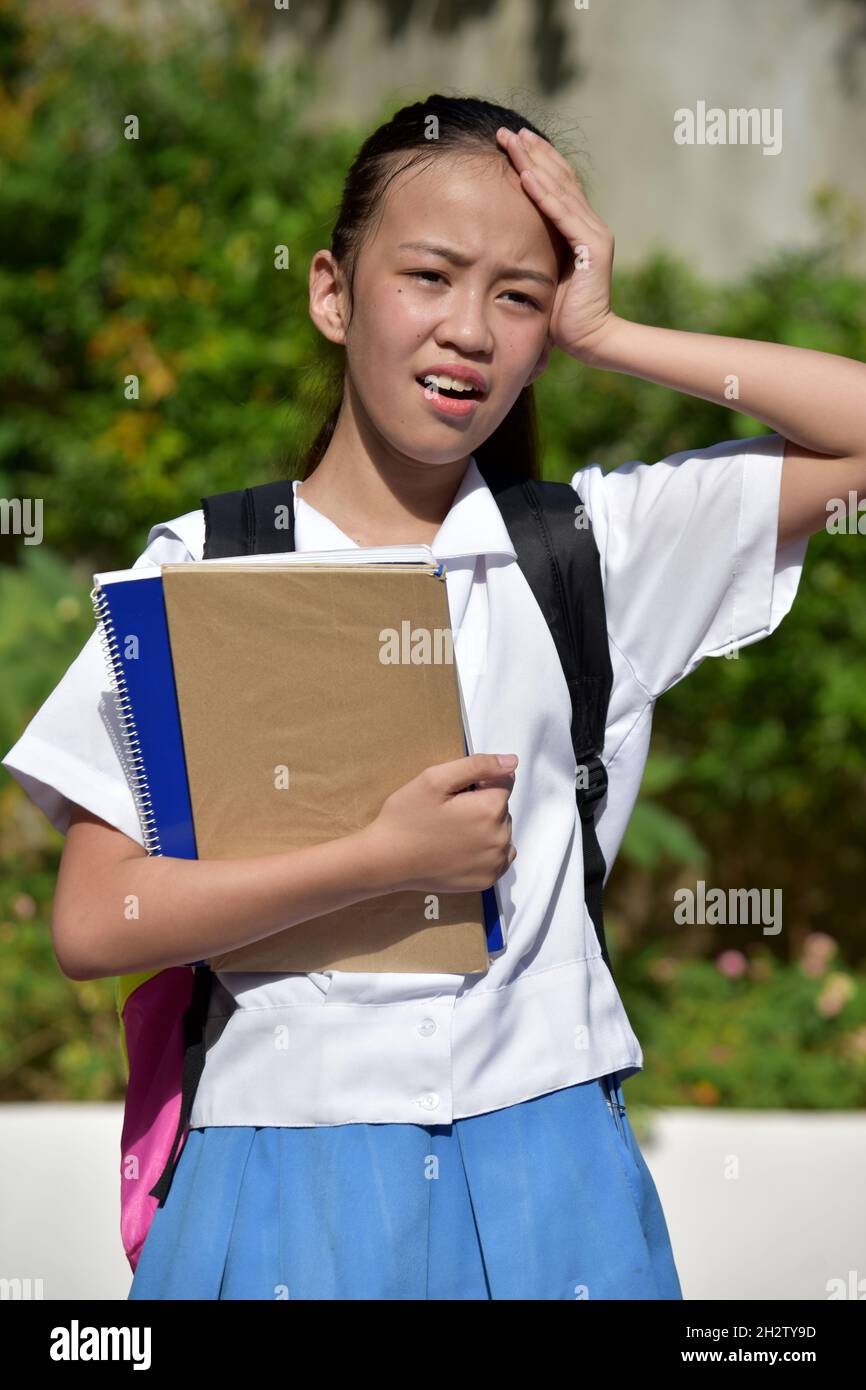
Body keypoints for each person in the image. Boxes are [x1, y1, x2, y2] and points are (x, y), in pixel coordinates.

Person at [4, 93, 865, 1301]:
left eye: (517, 295)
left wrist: (610, 333)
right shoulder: (199, 570)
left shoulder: (594, 550)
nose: (470, 329)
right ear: (330, 293)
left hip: (553, 1163)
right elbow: (97, 925)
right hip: (278, 1171)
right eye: (429, 275)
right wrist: (373, 859)